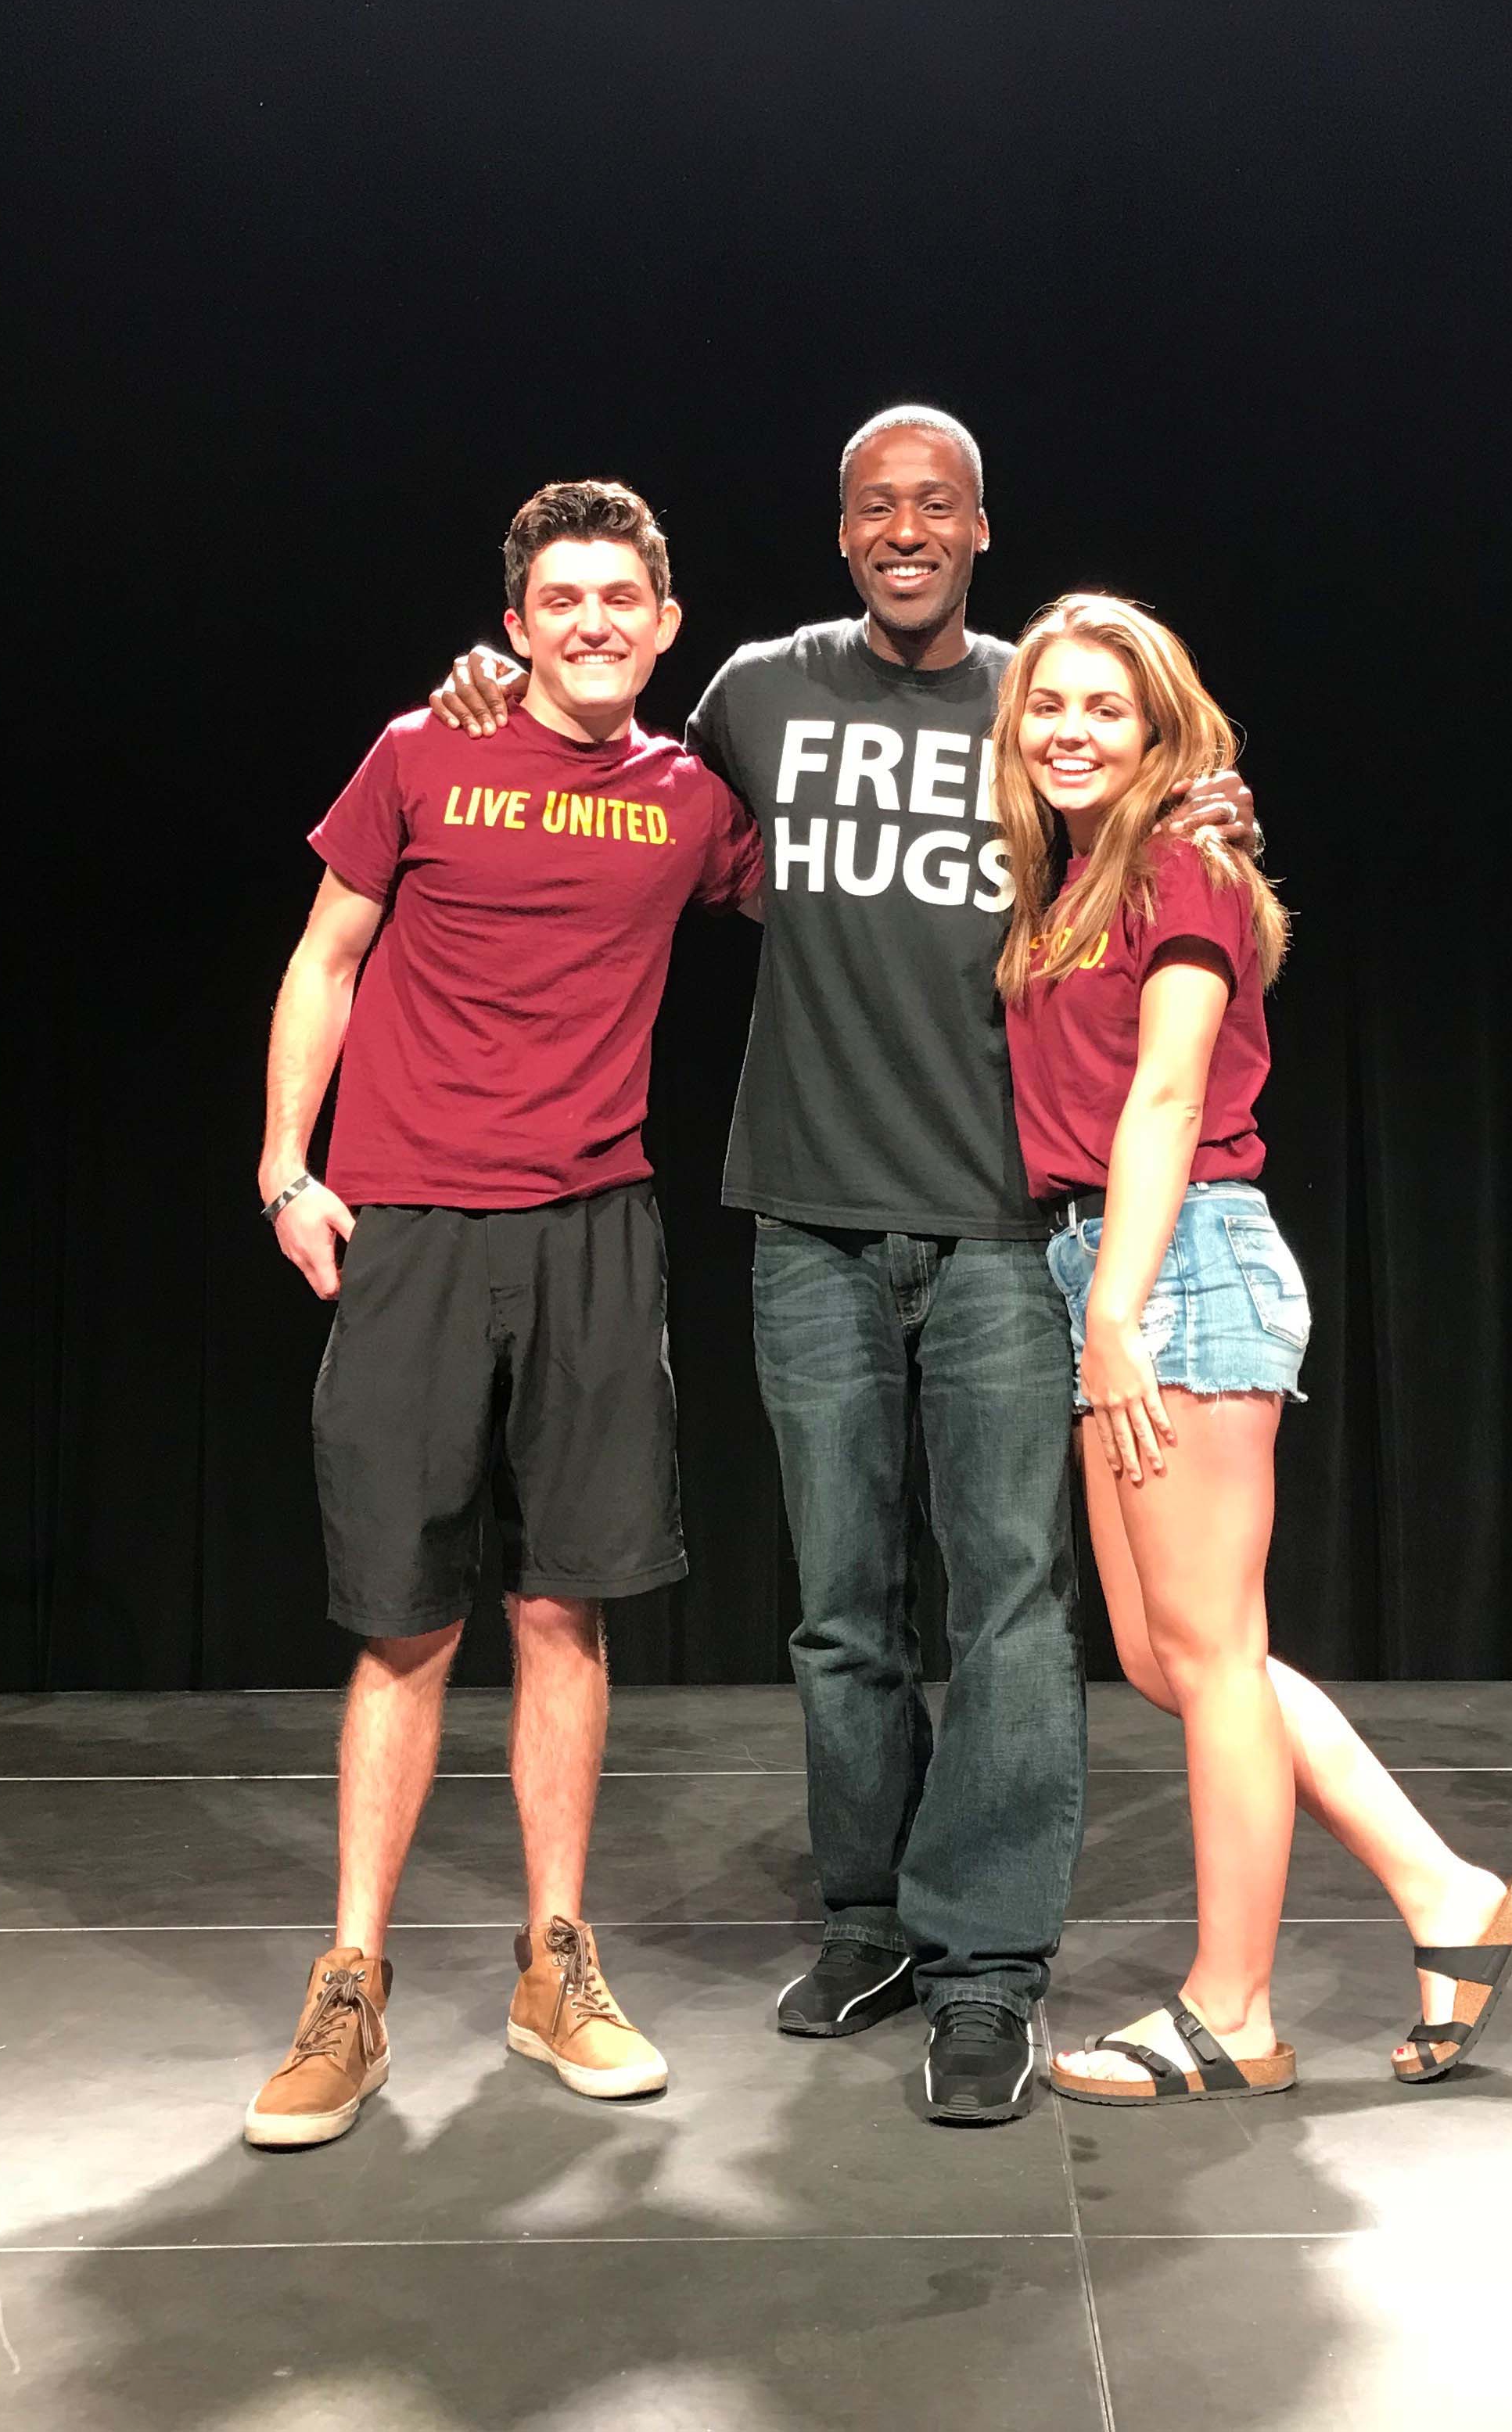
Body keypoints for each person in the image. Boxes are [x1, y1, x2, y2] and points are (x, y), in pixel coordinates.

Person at [429, 408, 1254, 2126]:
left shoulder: (1045, 705)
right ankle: (869, 1914)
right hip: (805, 1217)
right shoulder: (755, 693)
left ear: (978, 525)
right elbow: (615, 765)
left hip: (1002, 1224)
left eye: (933, 505)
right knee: (838, 1607)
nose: (904, 529)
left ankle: (989, 1966)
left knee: (1013, 1603)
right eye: (874, 506)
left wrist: (1214, 798)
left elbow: (1180, 818)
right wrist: (481, 693)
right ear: (840, 531)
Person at [243, 480, 760, 2150]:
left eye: (624, 598)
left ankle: (555, 1966)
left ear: (665, 623)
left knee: (566, 1607)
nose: (596, 622)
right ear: (520, 622)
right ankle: (352, 1984)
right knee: (406, 1618)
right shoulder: (424, 752)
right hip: (415, 1227)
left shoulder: (691, 799)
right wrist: (281, 1168)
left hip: (599, 1232)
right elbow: (326, 956)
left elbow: (863, 894)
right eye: (565, 599)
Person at [990, 591, 1512, 2103]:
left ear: (1164, 730)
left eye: (1107, 707)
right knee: (1178, 1659)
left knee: (1213, 1653)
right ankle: (1444, 1893)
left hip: (1174, 1263)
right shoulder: (1077, 880)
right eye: (1049, 705)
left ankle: (1230, 2011)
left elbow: (1167, 1097)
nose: (1072, 730)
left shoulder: (1180, 863)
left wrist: (1115, 1308)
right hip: (1111, 1258)